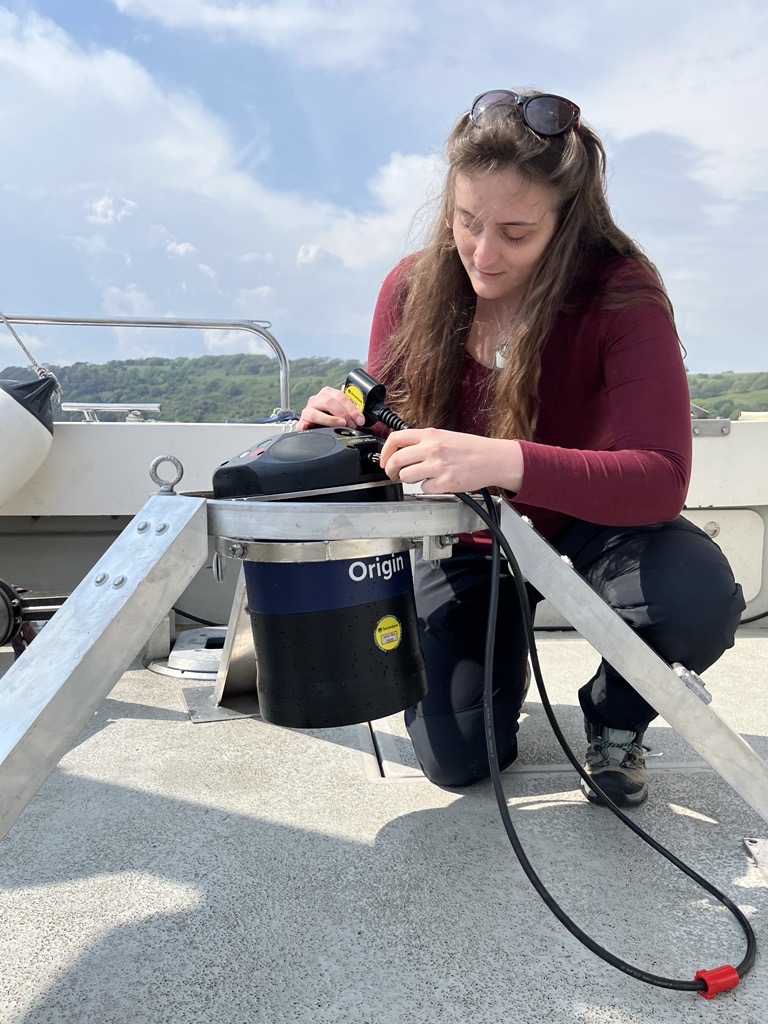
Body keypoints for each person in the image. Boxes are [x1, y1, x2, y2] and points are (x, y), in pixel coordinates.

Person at [297, 88, 745, 807]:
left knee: (693, 601)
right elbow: (397, 425)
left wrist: (500, 459)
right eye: (466, 221)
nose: (482, 253)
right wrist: (347, 427)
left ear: (565, 224)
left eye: (515, 232)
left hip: (598, 527)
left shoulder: (620, 293)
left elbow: (660, 480)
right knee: (458, 760)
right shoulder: (412, 288)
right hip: (468, 539)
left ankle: (615, 717)